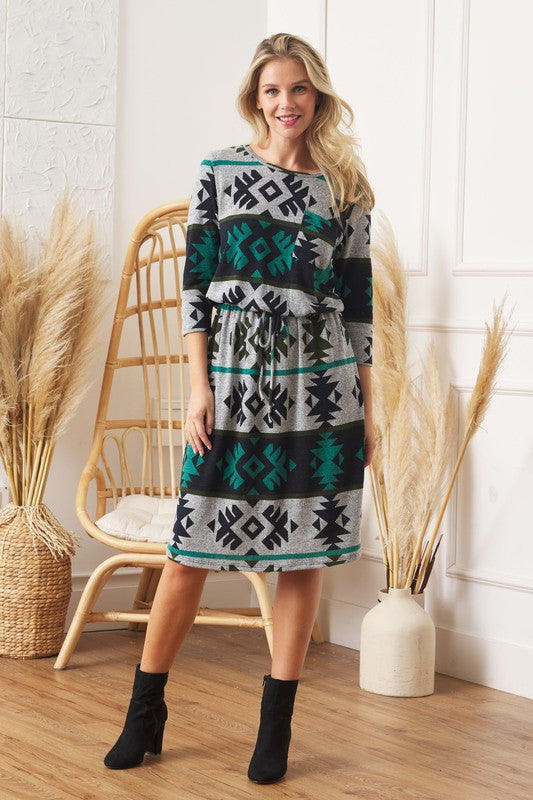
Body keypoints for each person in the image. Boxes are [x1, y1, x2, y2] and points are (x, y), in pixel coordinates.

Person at [104, 31, 376, 784]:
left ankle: (275, 726)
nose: (284, 103)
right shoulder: (219, 172)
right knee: (189, 552)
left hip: (318, 387)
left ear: (315, 95)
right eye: (270, 92)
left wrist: (369, 407)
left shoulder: (345, 186)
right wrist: (199, 387)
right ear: (254, 100)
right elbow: (193, 287)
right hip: (231, 378)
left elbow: (358, 308)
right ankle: (145, 711)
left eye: (296, 89)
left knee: (303, 555)